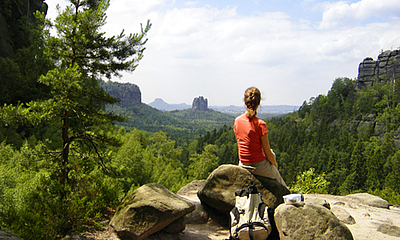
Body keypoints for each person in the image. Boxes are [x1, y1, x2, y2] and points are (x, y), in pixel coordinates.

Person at [234, 87, 288, 188]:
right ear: (258, 103)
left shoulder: (237, 121)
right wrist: (274, 167)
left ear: (245, 102)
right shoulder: (260, 124)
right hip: (257, 166)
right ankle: (290, 199)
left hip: (242, 164)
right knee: (282, 184)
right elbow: (267, 152)